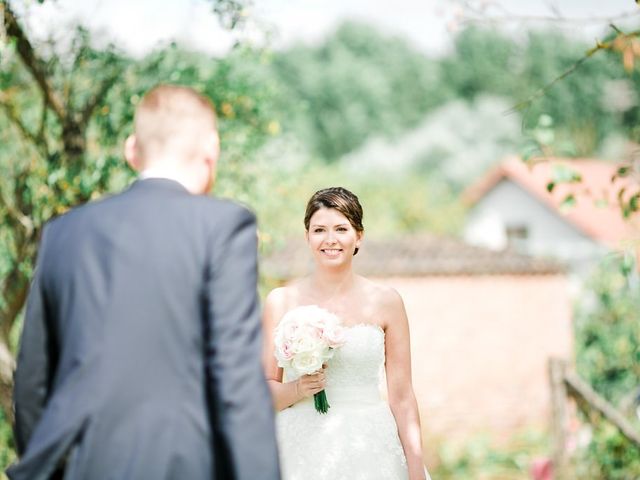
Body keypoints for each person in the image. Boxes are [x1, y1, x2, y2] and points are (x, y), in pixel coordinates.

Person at [7, 85, 280, 480]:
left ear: (132, 150)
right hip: (185, 465)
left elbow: (32, 383)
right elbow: (236, 381)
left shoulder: (63, 233)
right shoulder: (223, 227)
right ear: (212, 149)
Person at [262, 187, 430, 480]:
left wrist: (416, 470)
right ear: (307, 237)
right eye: (319, 230)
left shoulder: (386, 301)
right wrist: (298, 389)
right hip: (300, 449)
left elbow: (402, 397)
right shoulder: (281, 301)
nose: (330, 239)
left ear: (359, 237)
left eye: (341, 228)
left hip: (370, 446)